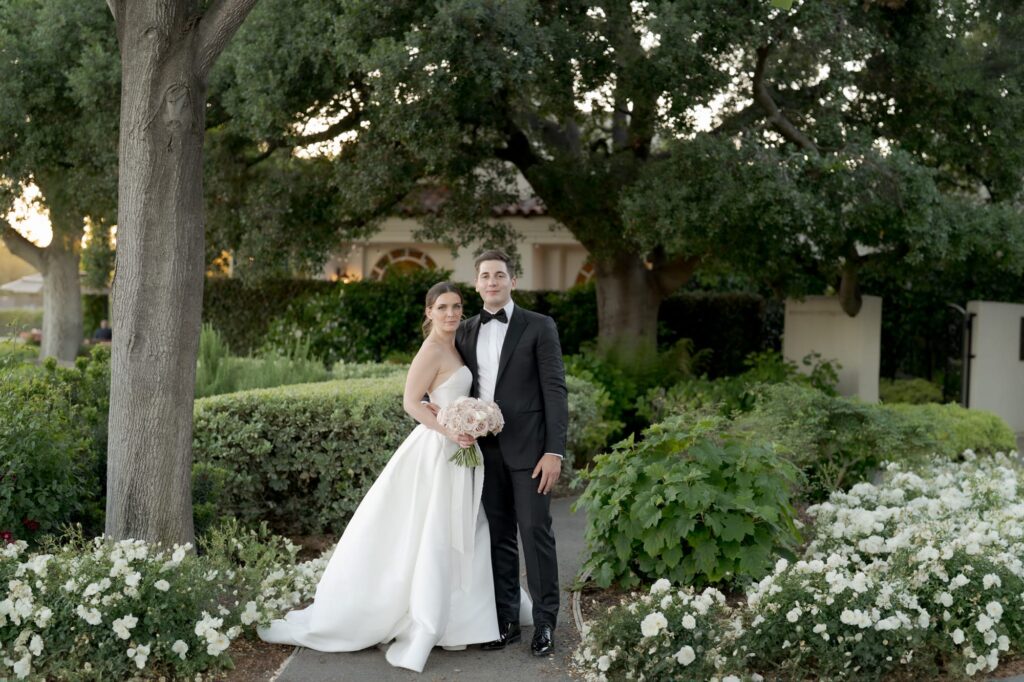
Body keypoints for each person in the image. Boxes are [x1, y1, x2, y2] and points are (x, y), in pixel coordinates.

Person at [258, 282, 529, 672]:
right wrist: (448, 428)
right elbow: (410, 401)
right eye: (443, 308)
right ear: (429, 312)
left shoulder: (457, 345)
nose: (452, 314)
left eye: (456, 307)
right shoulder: (432, 349)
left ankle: (469, 618)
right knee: (435, 530)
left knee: (467, 528)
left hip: (462, 448)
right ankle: (432, 618)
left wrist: (471, 421)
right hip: (438, 449)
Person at [455, 249, 569, 657]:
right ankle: (506, 623)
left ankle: (545, 624)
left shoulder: (539, 326)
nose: (492, 282)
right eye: (485, 276)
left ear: (512, 281)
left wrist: (554, 451)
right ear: (476, 283)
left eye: (499, 275)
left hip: (532, 451)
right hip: (485, 454)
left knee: (536, 534)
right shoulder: (465, 330)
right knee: (499, 537)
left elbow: (555, 391)